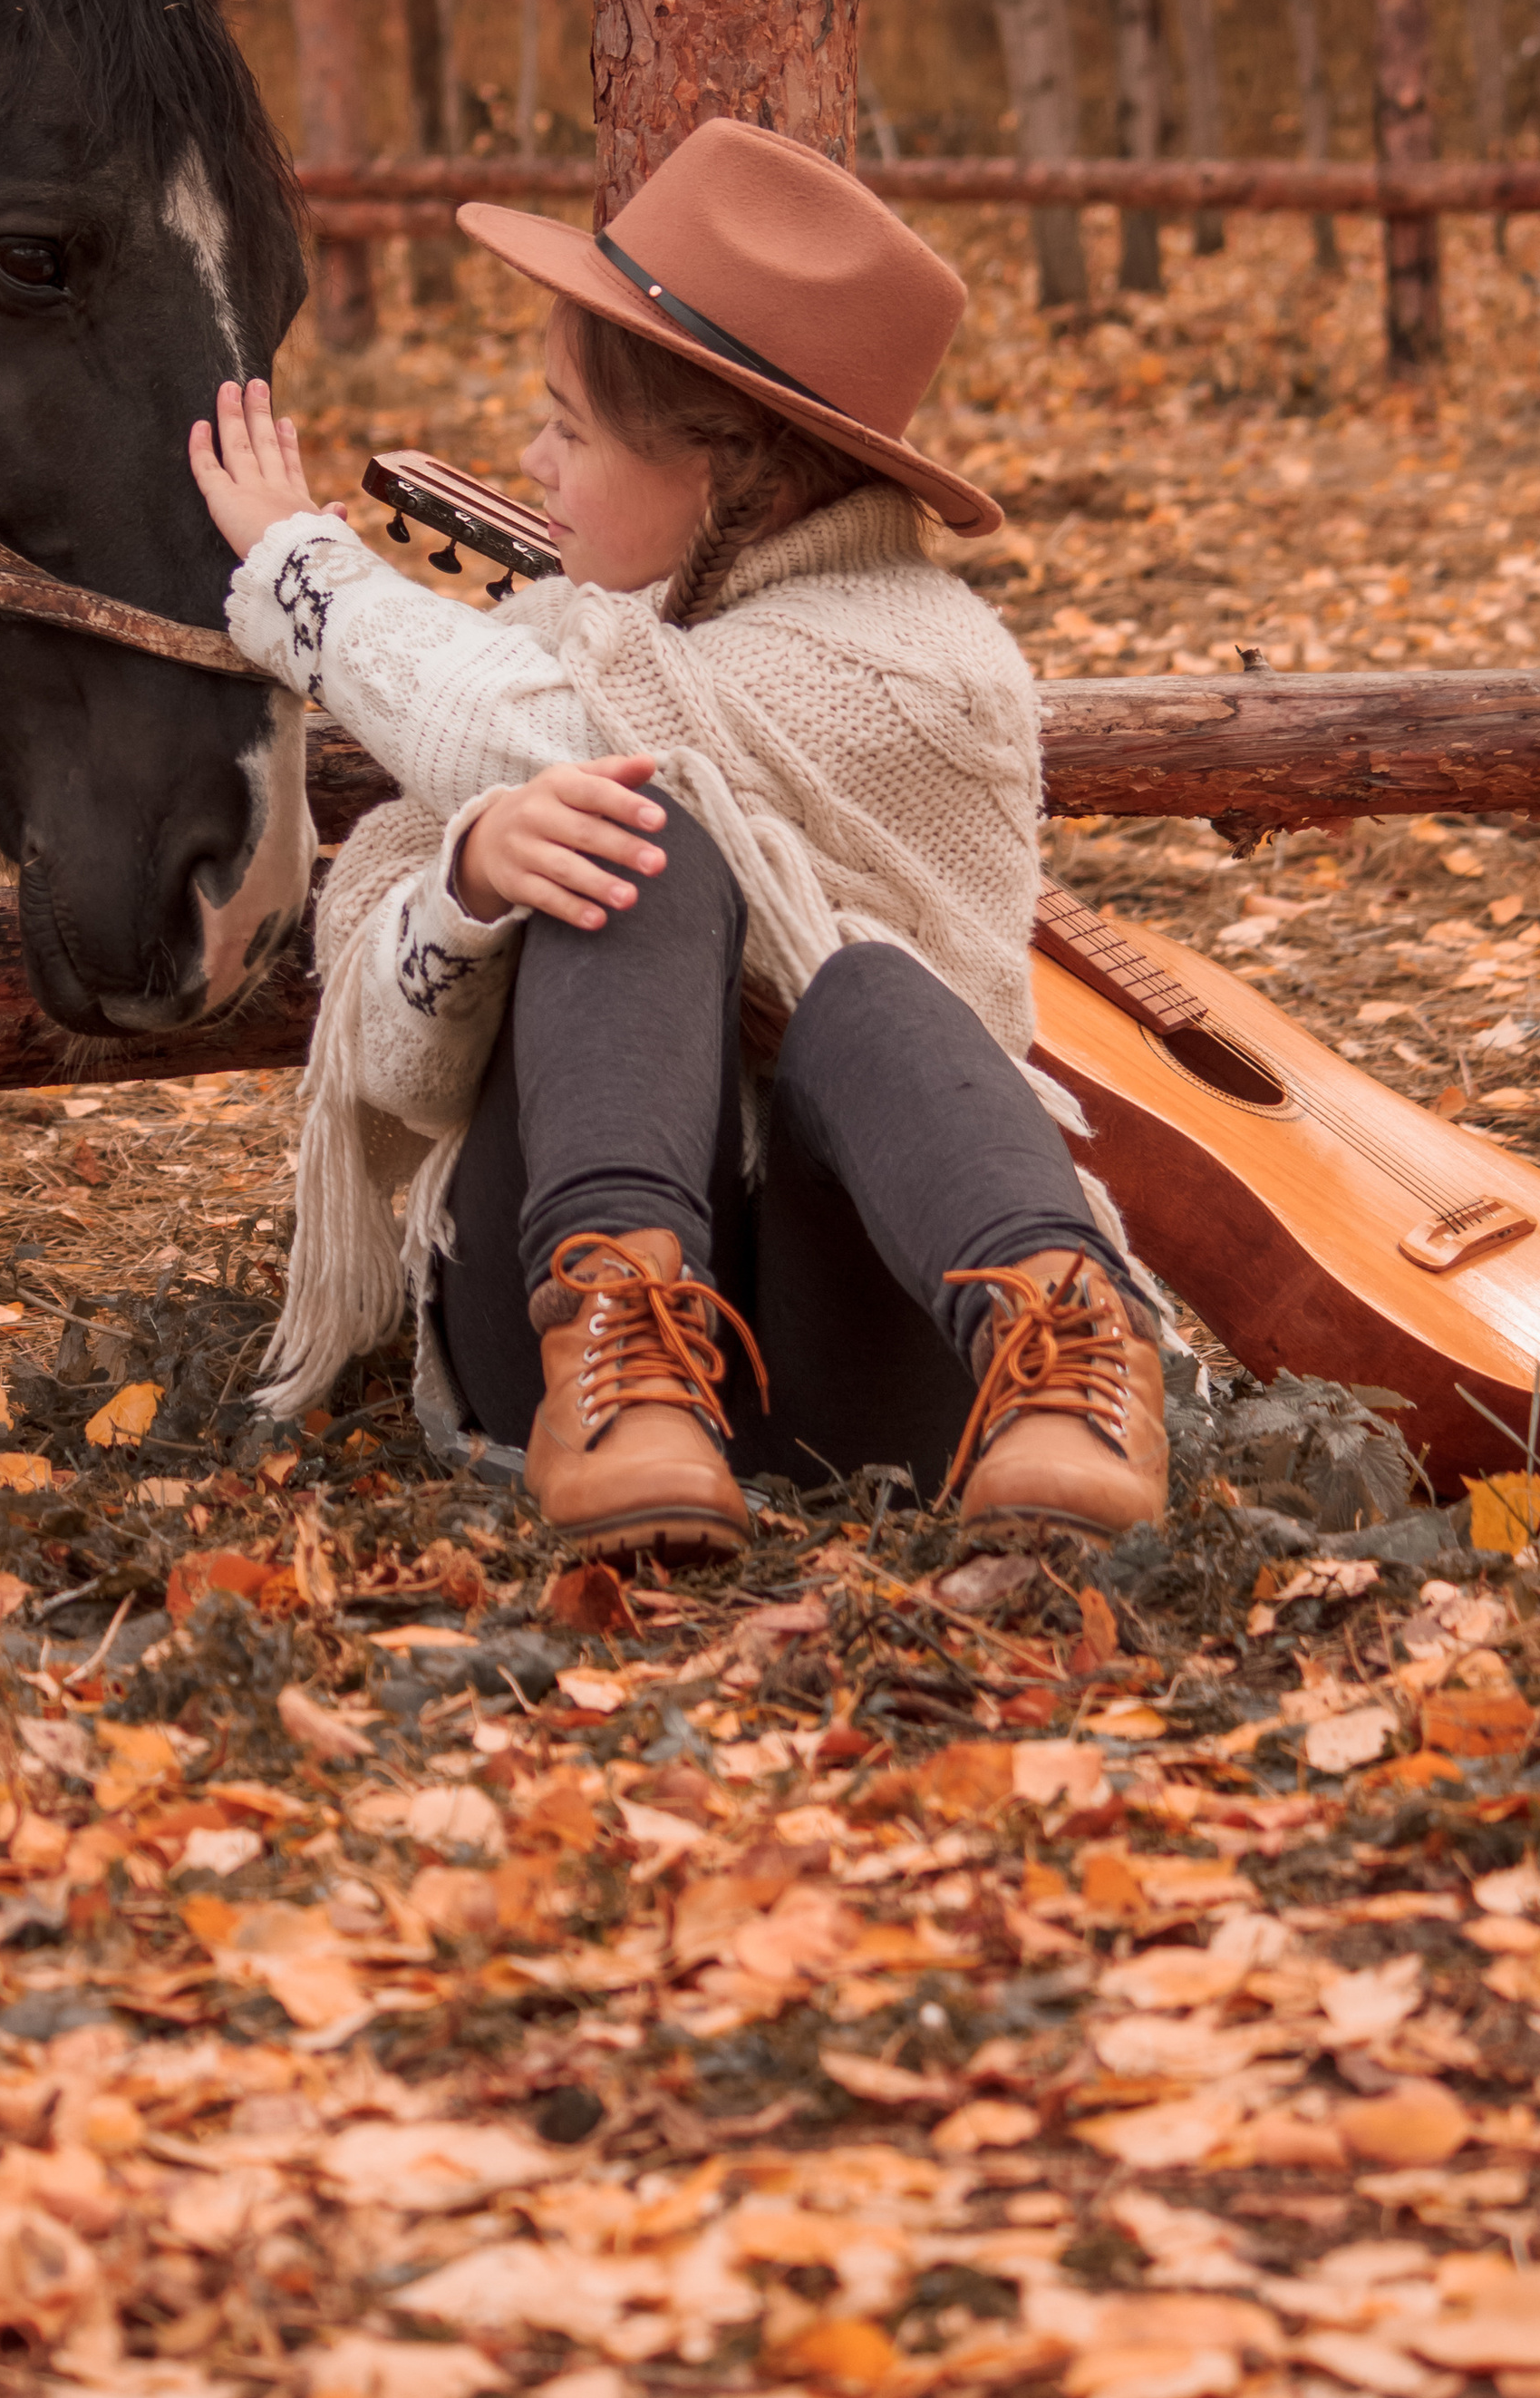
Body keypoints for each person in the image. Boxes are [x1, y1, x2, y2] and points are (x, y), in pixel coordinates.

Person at [189, 118, 1167, 1561]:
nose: (532, 463)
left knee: (854, 973)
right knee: (625, 853)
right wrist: (465, 887)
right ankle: (630, 1362)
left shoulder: (924, 665)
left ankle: (1062, 1340)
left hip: (884, 1353)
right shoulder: (578, 650)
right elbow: (392, 1065)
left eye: (570, 430)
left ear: (717, 469)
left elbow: (536, 728)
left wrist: (301, 568)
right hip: (556, 1362)